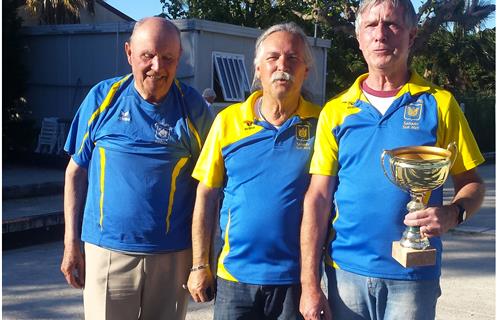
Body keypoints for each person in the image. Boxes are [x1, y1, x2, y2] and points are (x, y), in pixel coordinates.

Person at [299, 0, 486, 319]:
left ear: (411, 36)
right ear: (359, 38)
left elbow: (472, 184)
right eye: (371, 25)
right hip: (345, 272)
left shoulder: (440, 104)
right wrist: (309, 284)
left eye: (392, 25)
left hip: (413, 276)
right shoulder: (336, 111)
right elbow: (317, 198)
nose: (380, 34)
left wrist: (455, 213)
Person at [60, 17, 213, 320]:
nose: (158, 66)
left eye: (168, 57)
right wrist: (71, 244)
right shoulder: (103, 99)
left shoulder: (194, 109)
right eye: (148, 56)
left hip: (172, 255)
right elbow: (74, 172)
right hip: (107, 252)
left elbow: (208, 189)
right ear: (129, 53)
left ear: (179, 58)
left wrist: (201, 262)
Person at [187, 22, 321, 320]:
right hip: (235, 277)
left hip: (295, 279)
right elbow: (206, 195)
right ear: (258, 69)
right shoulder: (228, 121)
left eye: (293, 58)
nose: (282, 65)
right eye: (272, 58)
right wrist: (199, 265)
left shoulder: (322, 124)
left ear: (306, 71)